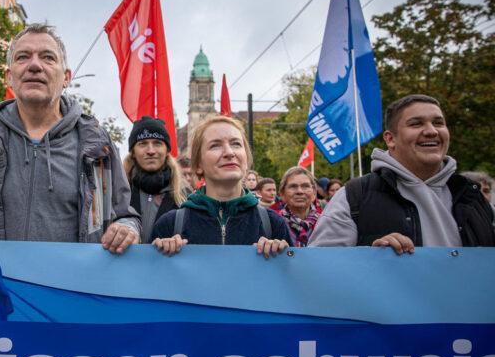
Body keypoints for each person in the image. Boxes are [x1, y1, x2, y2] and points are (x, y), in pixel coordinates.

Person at [0, 24, 140, 253]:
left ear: (66, 77)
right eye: (23, 57)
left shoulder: (98, 145)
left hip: (72, 286)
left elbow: (125, 217)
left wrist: (126, 229)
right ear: (9, 77)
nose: (34, 65)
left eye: (48, 57)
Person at [309, 94, 495, 252]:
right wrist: (370, 257)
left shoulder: (472, 195)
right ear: (390, 139)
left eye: (438, 123)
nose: (431, 131)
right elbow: (320, 270)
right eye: (416, 124)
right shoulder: (354, 196)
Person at [151, 116, 291, 257]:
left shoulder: (273, 224)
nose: (229, 153)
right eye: (215, 145)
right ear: (198, 165)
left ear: (246, 159)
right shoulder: (170, 224)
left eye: (236, 144)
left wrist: (282, 256)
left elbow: (291, 276)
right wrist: (163, 253)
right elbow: (152, 276)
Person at [124, 117, 188, 243]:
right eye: (143, 144)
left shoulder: (185, 196)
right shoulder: (118, 193)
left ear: (167, 150)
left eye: (157, 143)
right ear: (133, 152)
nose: (151, 151)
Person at [271, 166, 322, 247]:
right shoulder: (272, 223)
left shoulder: (326, 223)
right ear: (282, 193)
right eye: (293, 186)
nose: (300, 191)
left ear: (314, 193)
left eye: (305, 186)